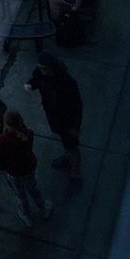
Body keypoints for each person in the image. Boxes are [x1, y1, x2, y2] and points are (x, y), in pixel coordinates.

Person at [25, 51, 83, 188]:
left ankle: (75, 173)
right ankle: (68, 158)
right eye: (40, 68)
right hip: (54, 116)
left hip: (67, 121)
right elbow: (36, 79)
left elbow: (77, 106)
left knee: (72, 146)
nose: (41, 71)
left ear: (52, 67)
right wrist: (30, 85)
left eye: (44, 68)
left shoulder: (67, 82)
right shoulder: (41, 73)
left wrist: (75, 126)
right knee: (66, 143)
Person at [0, 110, 53, 227]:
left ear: (6, 125)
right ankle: (43, 207)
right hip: (29, 167)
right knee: (33, 187)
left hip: (14, 172)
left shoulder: (0, 140)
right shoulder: (29, 133)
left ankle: (25, 214)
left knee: (20, 194)